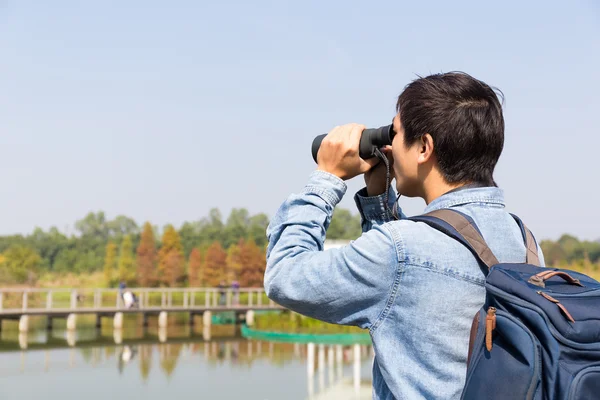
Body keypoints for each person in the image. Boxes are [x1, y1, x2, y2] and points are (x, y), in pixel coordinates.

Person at [264, 72, 545, 399]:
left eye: (394, 133)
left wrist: (325, 178)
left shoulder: (399, 250)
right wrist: (379, 198)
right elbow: (404, 294)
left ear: (424, 147)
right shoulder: (524, 240)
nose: (389, 144)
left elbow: (285, 276)